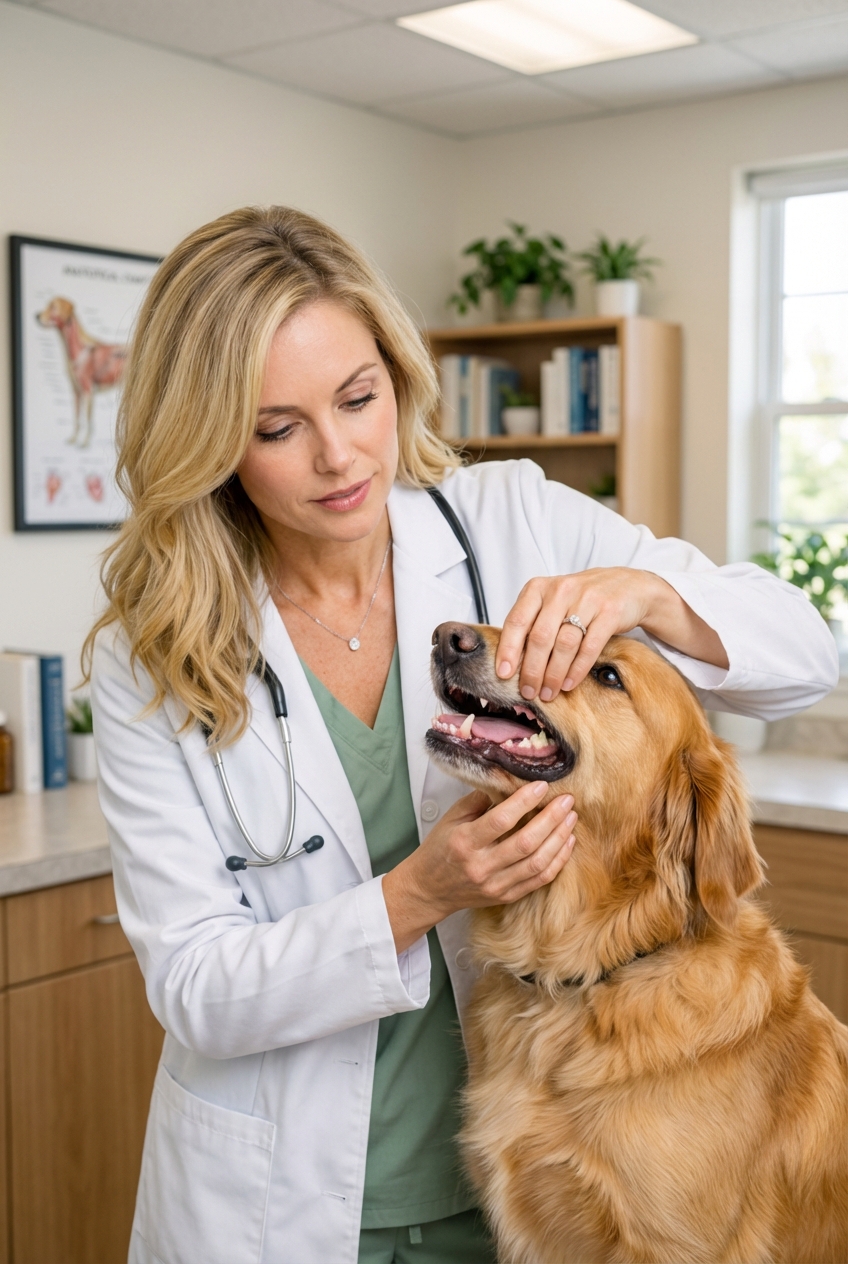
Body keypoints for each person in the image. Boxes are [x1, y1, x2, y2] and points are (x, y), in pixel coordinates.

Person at [87, 206, 838, 1264]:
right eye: (275, 427)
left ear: (396, 369)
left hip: (510, 1181)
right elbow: (197, 987)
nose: (341, 454)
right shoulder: (150, 654)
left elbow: (807, 647)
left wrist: (648, 592)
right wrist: (418, 893)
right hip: (283, 1204)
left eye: (359, 396)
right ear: (207, 440)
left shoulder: (507, 518)